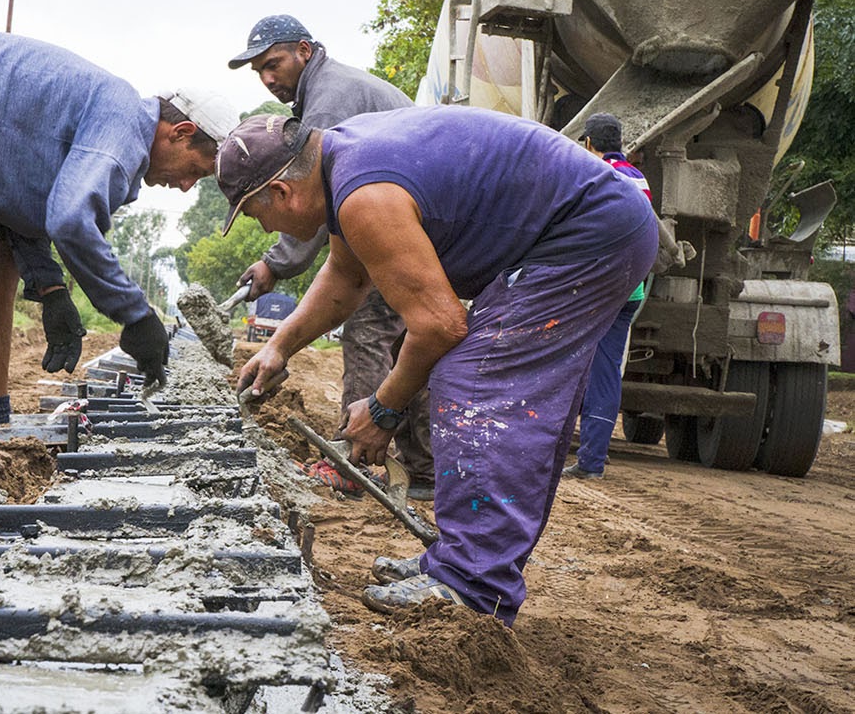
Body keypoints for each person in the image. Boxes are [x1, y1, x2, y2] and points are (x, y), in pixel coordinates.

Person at [219, 108, 656, 626]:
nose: (266, 227)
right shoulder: (344, 168)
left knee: (474, 383)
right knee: (488, 383)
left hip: (589, 236)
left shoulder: (364, 193)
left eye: (256, 214)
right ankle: (462, 562)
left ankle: (473, 586)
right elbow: (346, 277)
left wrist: (384, 409)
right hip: (594, 228)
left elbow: (440, 327)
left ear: (282, 193)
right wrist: (279, 347)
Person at [0, 29, 239, 462]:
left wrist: (52, 289)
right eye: (196, 171)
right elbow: (70, 218)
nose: (186, 187)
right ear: (181, 132)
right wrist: (135, 313)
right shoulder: (124, 131)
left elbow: (23, 201)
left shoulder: (115, 121)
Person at [227, 14, 434, 500]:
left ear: (304, 49)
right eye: (258, 71)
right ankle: (426, 469)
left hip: (404, 220)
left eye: (273, 64)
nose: (268, 78)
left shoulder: (330, 97)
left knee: (366, 328)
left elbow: (306, 194)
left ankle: (351, 462)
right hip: (414, 221)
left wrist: (277, 263)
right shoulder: (326, 88)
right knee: (409, 342)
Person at [563, 113, 652, 480]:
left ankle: (584, 460)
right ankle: (592, 456)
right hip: (632, 289)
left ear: (588, 143)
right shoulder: (638, 177)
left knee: (570, 365)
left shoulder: (596, 173)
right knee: (606, 371)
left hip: (600, 288)